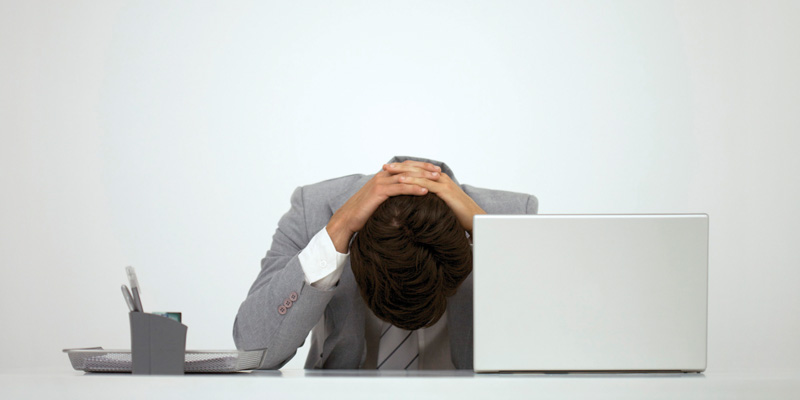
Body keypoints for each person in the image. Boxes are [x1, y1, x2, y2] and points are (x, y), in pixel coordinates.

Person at [233, 156, 538, 369]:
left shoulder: (513, 215)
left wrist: (490, 233)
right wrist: (336, 231)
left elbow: (552, 353)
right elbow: (254, 350)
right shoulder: (312, 209)